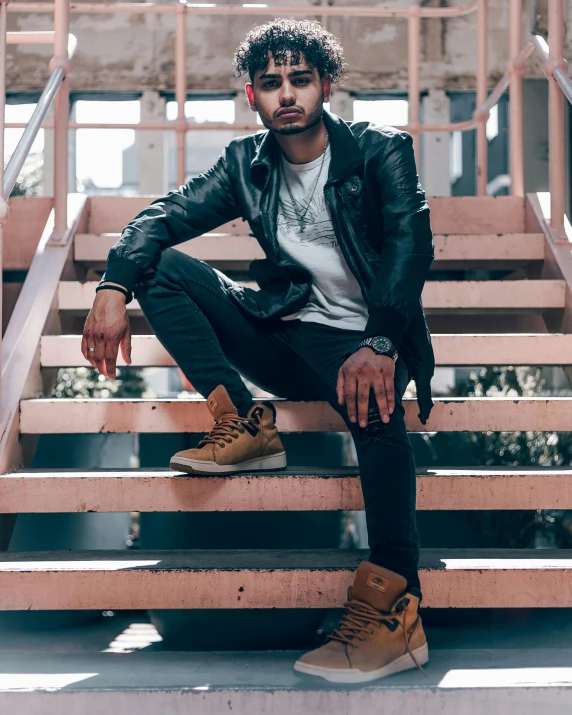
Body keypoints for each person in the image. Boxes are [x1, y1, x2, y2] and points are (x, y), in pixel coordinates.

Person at [82, 17, 435, 683]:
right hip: (287, 331)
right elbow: (164, 215)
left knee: (377, 410)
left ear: (325, 84)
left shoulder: (380, 150)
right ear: (253, 95)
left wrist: (383, 340)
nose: (287, 94)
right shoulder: (246, 165)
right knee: (161, 264)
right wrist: (112, 283)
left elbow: (410, 244)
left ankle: (395, 607)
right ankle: (241, 420)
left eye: (300, 78)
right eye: (271, 83)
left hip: (369, 338)